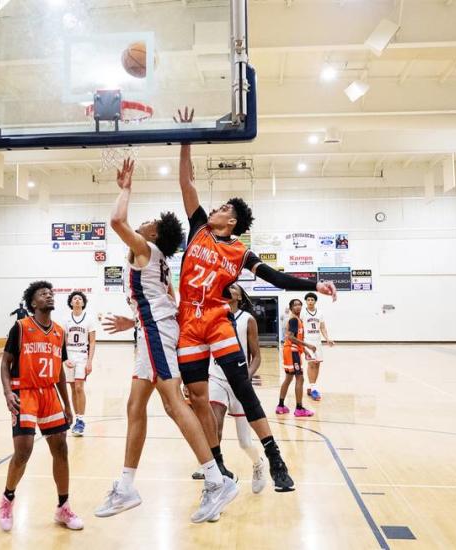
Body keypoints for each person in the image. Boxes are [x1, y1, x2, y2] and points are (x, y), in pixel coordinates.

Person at [175, 118, 336, 492]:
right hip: (188, 323)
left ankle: (275, 457)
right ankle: (218, 466)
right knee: (198, 397)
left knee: (242, 387)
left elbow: (277, 278)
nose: (213, 208)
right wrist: (185, 142)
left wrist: (315, 283)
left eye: (222, 208)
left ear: (230, 221)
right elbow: (187, 183)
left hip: (215, 319)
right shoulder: (198, 228)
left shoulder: (240, 251)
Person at [94, 158, 237, 523]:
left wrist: (125, 188)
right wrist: (137, 321)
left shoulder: (146, 250)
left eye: (149, 223)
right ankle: (126, 486)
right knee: (134, 405)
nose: (142, 223)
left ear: (153, 234)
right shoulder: (154, 260)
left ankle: (215, 478)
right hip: (151, 329)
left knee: (174, 404)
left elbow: (115, 222)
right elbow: (169, 300)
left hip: (156, 331)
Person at [0, 281, 82, 532]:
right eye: (43, 294)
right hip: (24, 392)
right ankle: (7, 499)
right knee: (23, 451)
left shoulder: (59, 331)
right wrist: (7, 392)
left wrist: (67, 404)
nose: (49, 296)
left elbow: (59, 373)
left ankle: (63, 507)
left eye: (51, 293)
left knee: (61, 449)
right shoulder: (21, 328)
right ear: (33, 303)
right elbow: (5, 363)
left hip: (49, 394)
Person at [190, 284, 268, 492]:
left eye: (235, 288)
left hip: (239, 382)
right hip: (216, 378)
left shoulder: (247, 320)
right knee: (214, 425)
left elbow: (257, 356)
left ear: (240, 297)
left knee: (244, 442)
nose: (231, 289)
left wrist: (245, 377)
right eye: (228, 287)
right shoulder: (212, 317)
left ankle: (258, 463)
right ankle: (214, 470)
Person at [64, 290, 98, 436]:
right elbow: (63, 342)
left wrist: (90, 362)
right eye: (74, 298)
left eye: (80, 299)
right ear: (71, 302)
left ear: (83, 303)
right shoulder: (66, 321)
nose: (77, 300)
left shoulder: (89, 319)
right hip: (70, 356)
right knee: (72, 388)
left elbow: (92, 341)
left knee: (79, 387)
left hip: (82, 356)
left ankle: (81, 420)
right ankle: (76, 417)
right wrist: (65, 359)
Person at [277, 299, 314, 417]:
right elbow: (291, 338)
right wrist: (307, 345)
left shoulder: (297, 320)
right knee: (300, 379)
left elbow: (296, 339)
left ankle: (281, 406)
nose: (297, 307)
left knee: (288, 379)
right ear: (291, 307)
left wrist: (305, 351)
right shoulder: (293, 320)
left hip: (291, 351)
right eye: (295, 305)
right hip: (292, 352)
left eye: (299, 304)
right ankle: (299, 409)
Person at [301, 292, 333, 401]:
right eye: (308, 300)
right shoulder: (302, 313)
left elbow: (323, 328)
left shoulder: (320, 313)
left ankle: (311, 387)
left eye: (312, 300)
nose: (310, 301)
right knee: (311, 364)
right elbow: (300, 327)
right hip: (307, 341)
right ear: (306, 301)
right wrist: (301, 342)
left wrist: (327, 339)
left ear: (315, 301)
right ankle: (314, 389)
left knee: (317, 365)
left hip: (317, 342)